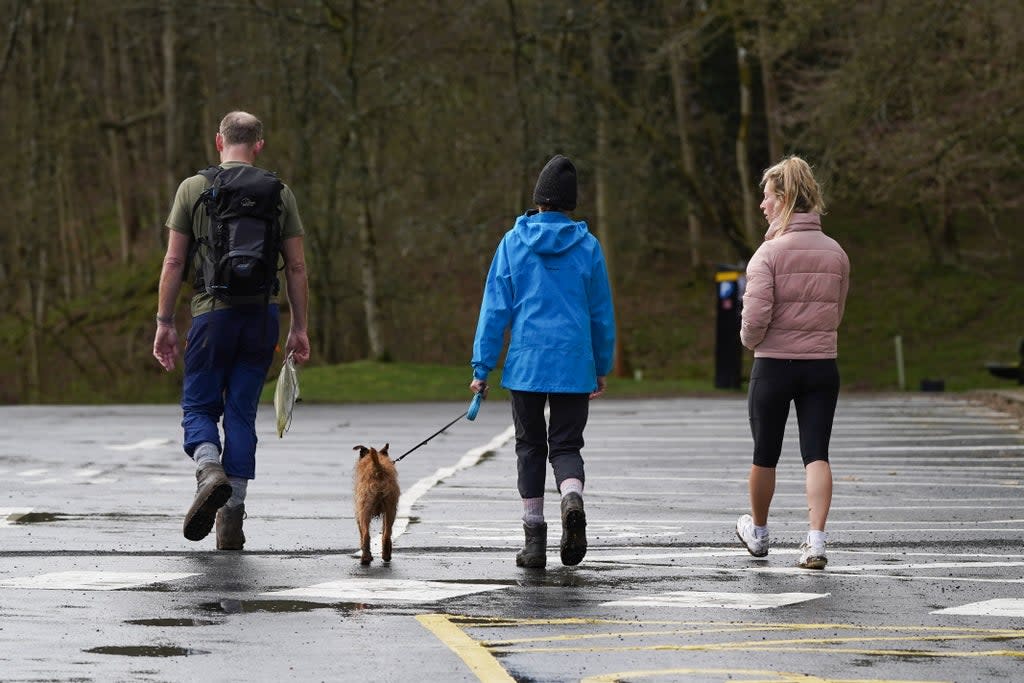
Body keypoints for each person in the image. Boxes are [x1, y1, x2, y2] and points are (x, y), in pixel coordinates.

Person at [153, 111, 310, 551]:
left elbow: (173, 262)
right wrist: (299, 327)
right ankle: (231, 521)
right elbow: (296, 266)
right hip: (261, 317)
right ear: (258, 145)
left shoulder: (193, 188)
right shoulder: (279, 193)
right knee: (240, 413)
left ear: (219, 142)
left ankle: (209, 469)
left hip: (211, 316)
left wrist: (164, 323)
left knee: (199, 407)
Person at [470, 154, 616, 569]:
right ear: (571, 203)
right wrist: (601, 365)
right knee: (566, 446)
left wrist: (482, 368)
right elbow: (600, 313)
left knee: (530, 447)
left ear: (538, 200)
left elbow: (494, 310)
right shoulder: (588, 246)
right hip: (573, 363)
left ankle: (534, 543)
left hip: (527, 364)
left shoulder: (513, 242)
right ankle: (571, 497)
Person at [735, 155, 850, 570]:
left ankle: (760, 534)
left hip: (773, 366)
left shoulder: (768, 255)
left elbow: (754, 319)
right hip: (822, 365)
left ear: (783, 199)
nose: (763, 205)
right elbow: (836, 312)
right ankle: (816, 541)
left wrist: (751, 342)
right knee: (816, 453)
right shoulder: (836, 253)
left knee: (765, 453)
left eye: (767, 197)